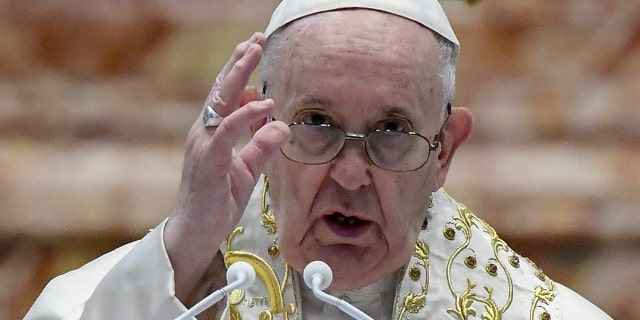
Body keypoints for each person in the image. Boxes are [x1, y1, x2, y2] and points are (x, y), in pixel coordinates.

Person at [25, 0, 612, 319]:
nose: (351, 173)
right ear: (259, 125)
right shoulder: (94, 303)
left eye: (392, 129)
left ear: (444, 152)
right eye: (316, 123)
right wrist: (183, 249)